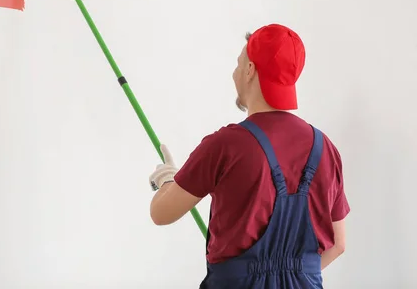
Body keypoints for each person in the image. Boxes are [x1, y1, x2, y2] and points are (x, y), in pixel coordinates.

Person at [148, 23, 350, 288]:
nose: (235, 73)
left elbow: (161, 213)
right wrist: (290, 276)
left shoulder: (226, 145)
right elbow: (337, 244)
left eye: (239, 63)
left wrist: (169, 180)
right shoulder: (326, 150)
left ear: (250, 71)